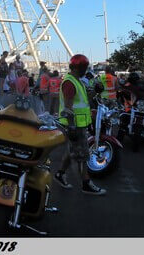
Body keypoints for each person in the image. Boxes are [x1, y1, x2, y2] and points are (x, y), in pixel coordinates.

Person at [54, 55, 106, 195]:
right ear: (77, 68)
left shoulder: (77, 81)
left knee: (72, 151)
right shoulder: (70, 83)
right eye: (84, 68)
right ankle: (86, 183)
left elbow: (84, 100)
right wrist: (71, 127)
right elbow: (68, 108)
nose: (85, 70)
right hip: (75, 125)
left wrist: (96, 90)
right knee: (83, 155)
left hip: (79, 123)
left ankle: (60, 174)